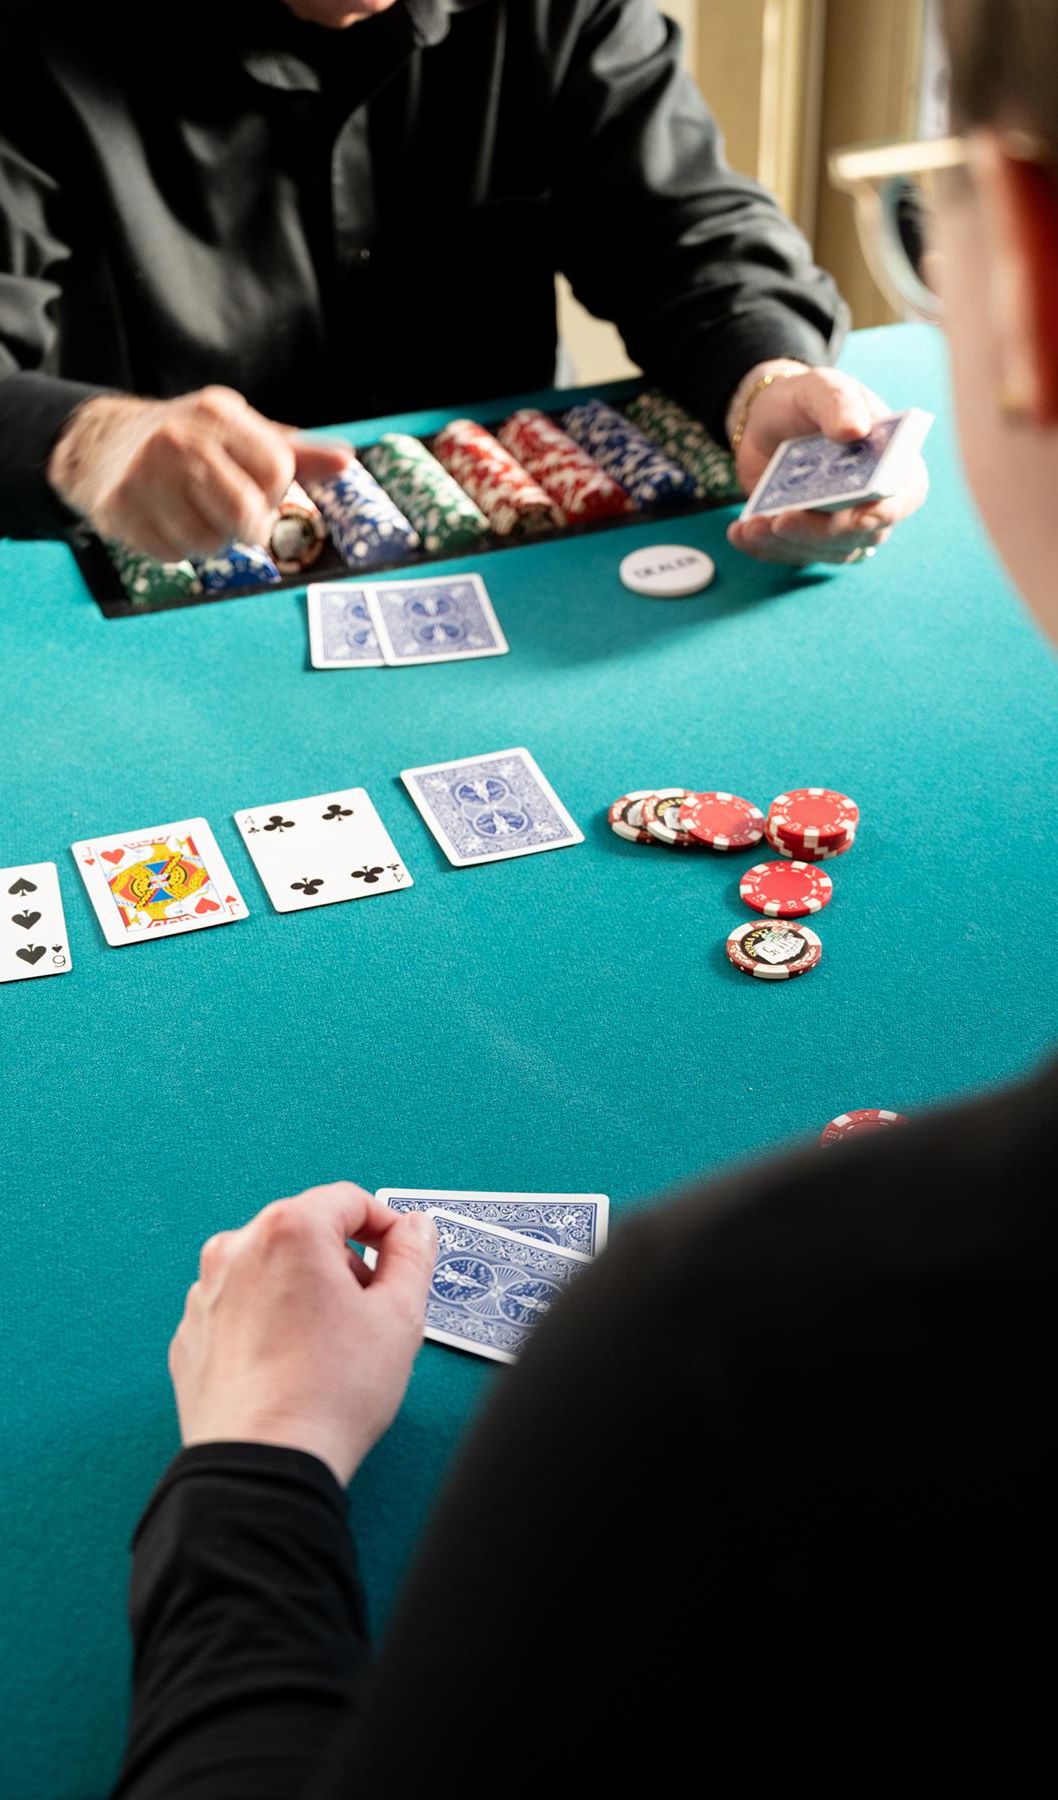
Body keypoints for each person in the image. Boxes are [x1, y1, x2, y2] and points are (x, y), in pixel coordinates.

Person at [108, 1, 1057, 1793]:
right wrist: (77, 439)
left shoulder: (716, 1354)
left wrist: (252, 1468)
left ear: (1025, 263)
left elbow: (697, 236)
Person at [0, 0, 925, 571]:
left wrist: (763, 377)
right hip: (150, 609)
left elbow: (686, 225)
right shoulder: (7, 14)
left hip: (507, 579)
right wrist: (83, 438)